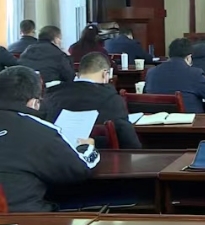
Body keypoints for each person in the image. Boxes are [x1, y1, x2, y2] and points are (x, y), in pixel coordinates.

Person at [0, 66, 99, 212]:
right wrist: (88, 148)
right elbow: (79, 169)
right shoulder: (38, 130)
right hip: (24, 218)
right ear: (33, 103)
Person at [42, 53, 141, 149]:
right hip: (103, 156)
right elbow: (129, 141)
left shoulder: (52, 95)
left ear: (78, 74)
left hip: (56, 154)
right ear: (105, 74)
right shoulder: (112, 99)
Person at [144, 38, 205, 113]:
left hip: (155, 122)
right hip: (189, 122)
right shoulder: (194, 73)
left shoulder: (151, 72)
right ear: (188, 57)